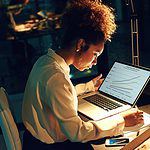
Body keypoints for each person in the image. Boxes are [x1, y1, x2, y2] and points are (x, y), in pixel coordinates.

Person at [22, 0, 143, 149]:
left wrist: (88, 86)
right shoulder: (56, 77)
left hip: (32, 140)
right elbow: (77, 132)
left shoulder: (45, 62)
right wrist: (122, 121)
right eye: (95, 54)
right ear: (80, 44)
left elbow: (59, 94)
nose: (94, 62)